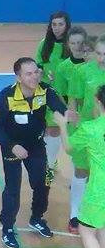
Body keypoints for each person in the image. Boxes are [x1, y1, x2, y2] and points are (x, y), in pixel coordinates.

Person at [0, 57, 70, 248]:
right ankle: (7, 228)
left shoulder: (45, 90)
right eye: (28, 74)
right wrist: (12, 146)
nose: (34, 77)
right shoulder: (6, 96)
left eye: (36, 72)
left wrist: (68, 115)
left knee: (44, 181)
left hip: (36, 145)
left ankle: (37, 217)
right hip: (12, 147)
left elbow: (60, 108)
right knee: (12, 188)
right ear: (18, 77)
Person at [58, 85, 105, 248]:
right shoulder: (90, 127)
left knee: (86, 230)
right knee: (102, 227)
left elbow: (69, 147)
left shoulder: (91, 128)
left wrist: (62, 125)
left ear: (98, 102)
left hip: (99, 190)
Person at [67, 36, 105, 234]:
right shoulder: (82, 71)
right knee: (81, 171)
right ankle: (75, 214)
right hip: (87, 129)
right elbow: (73, 99)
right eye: (98, 53)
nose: (101, 58)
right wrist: (74, 122)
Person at [47, 26, 87, 187]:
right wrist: (70, 114)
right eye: (73, 43)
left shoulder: (94, 66)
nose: (77, 46)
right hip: (75, 118)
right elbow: (60, 93)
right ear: (68, 45)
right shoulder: (63, 67)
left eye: (80, 43)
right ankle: (78, 181)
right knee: (77, 154)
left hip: (94, 117)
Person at [34, 11, 70, 183]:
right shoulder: (44, 44)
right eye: (54, 24)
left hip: (66, 95)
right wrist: (41, 75)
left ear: (67, 25)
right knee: (49, 129)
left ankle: (51, 163)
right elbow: (38, 66)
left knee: (57, 130)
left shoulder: (71, 45)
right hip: (47, 93)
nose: (57, 28)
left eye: (60, 24)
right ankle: (49, 163)